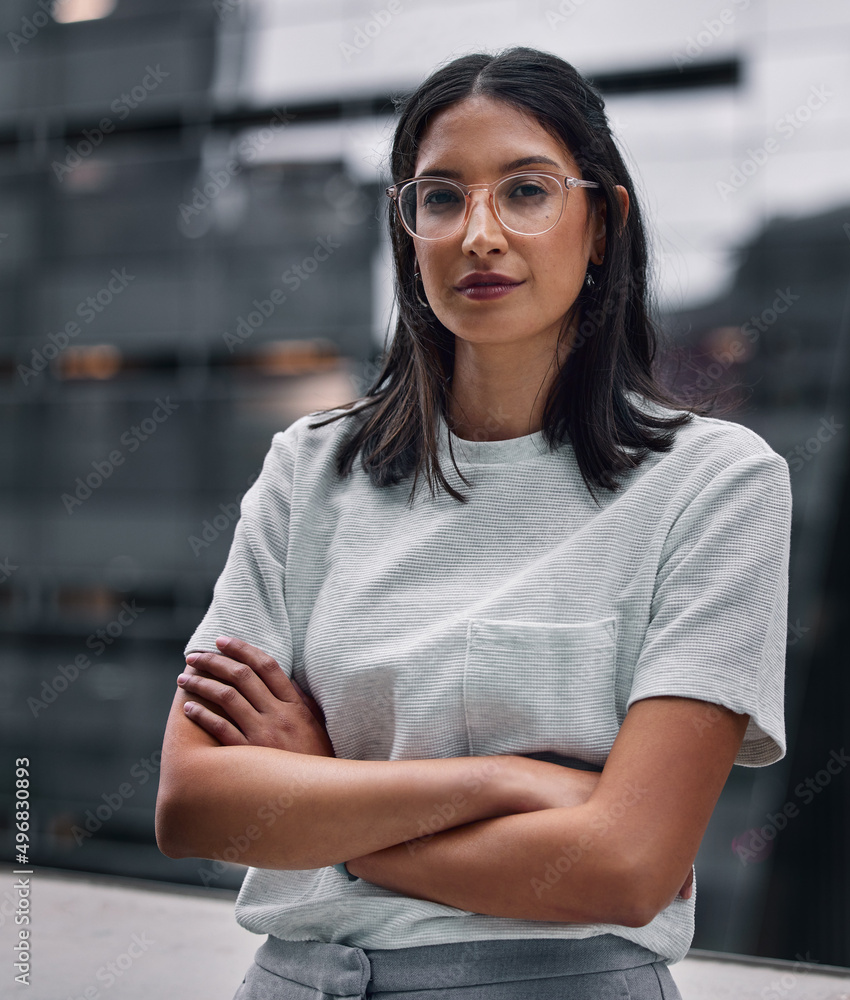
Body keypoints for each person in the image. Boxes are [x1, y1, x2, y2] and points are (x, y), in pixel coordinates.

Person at [155, 46, 793, 1000]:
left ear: (603, 222)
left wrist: (325, 796)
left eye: (527, 192)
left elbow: (624, 866)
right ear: (408, 230)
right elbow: (196, 806)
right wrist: (510, 782)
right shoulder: (311, 467)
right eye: (441, 197)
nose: (479, 233)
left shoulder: (714, 485)